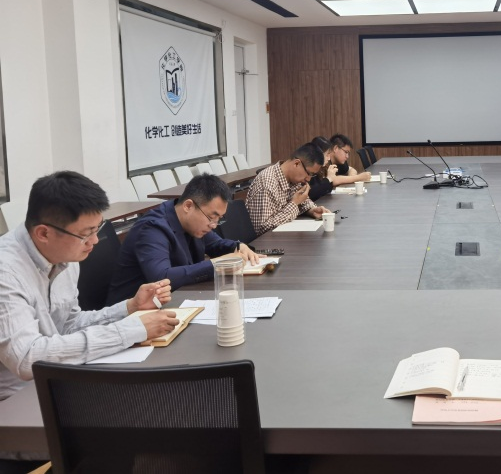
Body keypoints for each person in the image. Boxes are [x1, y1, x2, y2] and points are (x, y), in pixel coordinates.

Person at [0, 171, 178, 402]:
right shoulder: (6, 272)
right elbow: (27, 358)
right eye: (86, 234)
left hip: (59, 379)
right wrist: (130, 330)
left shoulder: (64, 255)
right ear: (43, 233)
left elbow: (68, 325)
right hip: (15, 402)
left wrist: (129, 308)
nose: (94, 241)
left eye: (97, 229)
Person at [107, 174, 260, 304]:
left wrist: (238, 246)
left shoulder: (193, 222)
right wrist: (218, 264)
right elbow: (162, 278)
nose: (214, 225)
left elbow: (216, 244)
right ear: (188, 206)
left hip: (172, 300)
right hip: (133, 312)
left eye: (219, 219)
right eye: (211, 217)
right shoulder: (152, 228)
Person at [246, 143, 331, 235]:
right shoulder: (267, 183)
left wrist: (312, 210)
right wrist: (294, 203)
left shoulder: (293, 179)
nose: (309, 179)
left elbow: (303, 202)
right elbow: (263, 228)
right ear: (296, 163)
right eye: (309, 174)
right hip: (268, 241)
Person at [307, 136, 337, 201]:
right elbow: (310, 193)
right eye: (327, 155)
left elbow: (327, 190)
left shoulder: (323, 168)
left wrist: (329, 179)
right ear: (317, 154)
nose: (329, 158)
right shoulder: (308, 168)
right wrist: (328, 179)